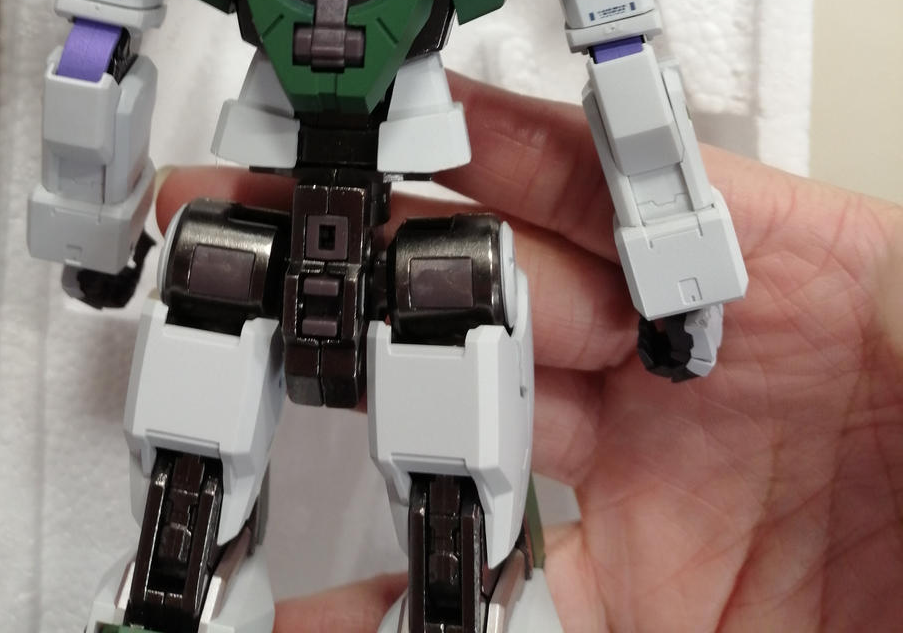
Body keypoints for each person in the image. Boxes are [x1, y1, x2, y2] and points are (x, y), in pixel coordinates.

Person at [156, 72, 903, 633]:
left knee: (453, 304)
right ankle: (165, 593)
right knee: (207, 305)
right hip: (288, 146)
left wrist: (676, 268)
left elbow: (618, 35)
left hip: (393, 205)